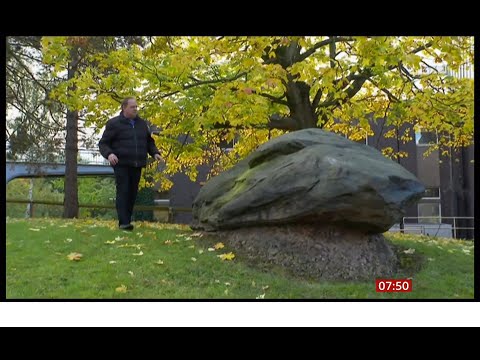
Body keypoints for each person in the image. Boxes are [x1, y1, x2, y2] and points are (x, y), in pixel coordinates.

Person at [99, 97, 162, 230]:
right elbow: (103, 143)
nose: (135, 109)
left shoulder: (141, 124)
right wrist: (109, 154)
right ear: (124, 108)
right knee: (123, 190)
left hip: (137, 163)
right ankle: (124, 222)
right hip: (121, 163)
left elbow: (149, 141)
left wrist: (155, 153)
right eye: (133, 107)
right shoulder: (114, 124)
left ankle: (127, 219)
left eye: (136, 107)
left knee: (132, 192)